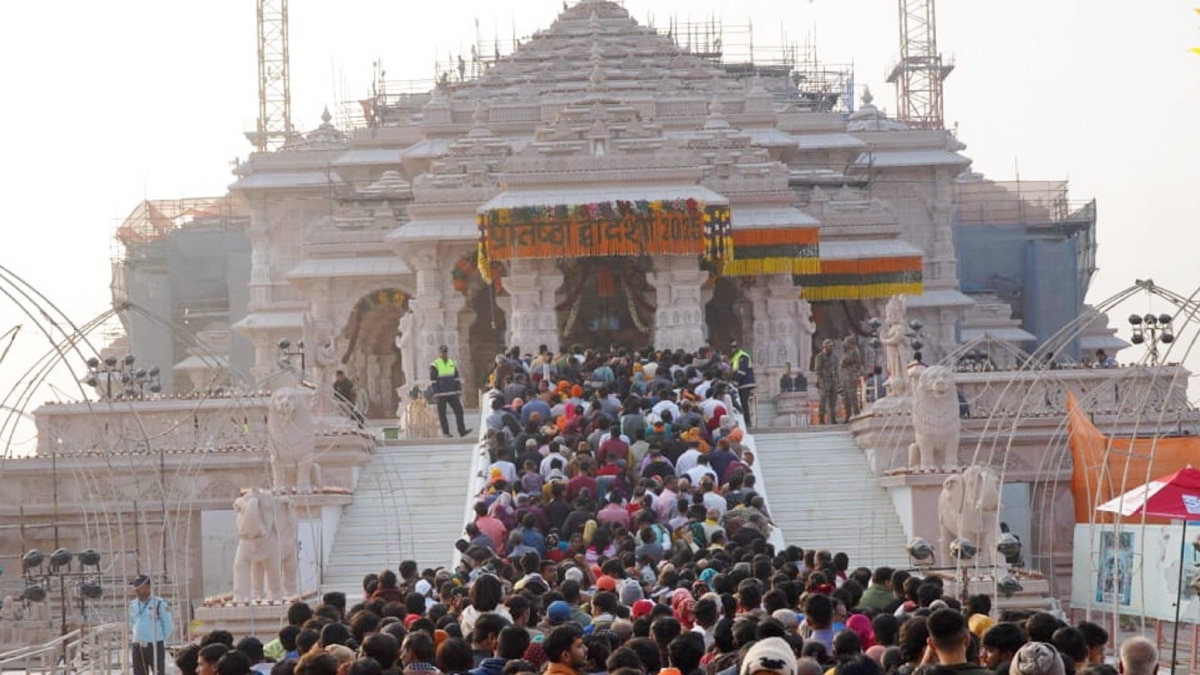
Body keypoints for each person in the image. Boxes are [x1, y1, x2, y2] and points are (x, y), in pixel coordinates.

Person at [129, 574, 174, 675]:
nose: (136, 589)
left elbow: (168, 625)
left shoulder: (159, 603)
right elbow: (132, 622)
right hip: (138, 644)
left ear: (148, 587)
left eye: (139, 586)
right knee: (139, 672)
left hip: (154, 644)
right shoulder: (133, 604)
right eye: (135, 586)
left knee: (158, 671)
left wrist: (159, 637)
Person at [431, 344, 471, 438]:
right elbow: (433, 381)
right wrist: (436, 393)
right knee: (442, 414)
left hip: (452, 392)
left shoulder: (452, 363)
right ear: (439, 353)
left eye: (445, 352)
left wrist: (458, 390)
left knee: (459, 411)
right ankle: (446, 432)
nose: (444, 354)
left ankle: (462, 430)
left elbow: (456, 378)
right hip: (441, 393)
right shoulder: (435, 364)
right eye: (442, 352)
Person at [729, 340, 756, 426]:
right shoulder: (735, 357)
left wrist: (736, 381)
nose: (733, 349)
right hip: (741, 383)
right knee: (741, 402)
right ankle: (745, 420)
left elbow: (742, 371)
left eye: (734, 347)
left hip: (745, 382)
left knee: (744, 402)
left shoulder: (743, 356)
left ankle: (747, 422)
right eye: (732, 347)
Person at [813, 339, 840, 425]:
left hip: (833, 381)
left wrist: (836, 378)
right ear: (825, 347)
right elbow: (817, 370)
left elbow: (836, 369)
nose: (831, 348)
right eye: (829, 346)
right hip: (824, 381)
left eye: (832, 346)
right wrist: (823, 376)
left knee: (833, 400)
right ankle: (821, 418)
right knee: (823, 400)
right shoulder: (820, 357)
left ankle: (832, 418)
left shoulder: (835, 357)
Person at [840, 335, 864, 420]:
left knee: (852, 396)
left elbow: (848, 361)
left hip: (851, 376)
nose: (844, 344)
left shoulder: (854, 351)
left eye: (846, 342)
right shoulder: (848, 351)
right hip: (846, 376)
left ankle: (856, 413)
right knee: (846, 396)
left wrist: (845, 362)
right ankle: (848, 415)